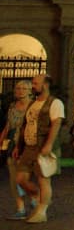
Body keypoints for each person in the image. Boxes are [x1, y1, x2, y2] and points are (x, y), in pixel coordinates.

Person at [12, 74, 65, 223]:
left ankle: (42, 211)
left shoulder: (55, 103)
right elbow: (25, 126)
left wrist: (49, 144)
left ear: (45, 85)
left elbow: (56, 124)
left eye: (36, 83)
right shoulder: (32, 103)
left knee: (43, 179)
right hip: (28, 147)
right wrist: (18, 146)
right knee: (20, 178)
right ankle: (37, 195)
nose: (33, 85)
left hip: (43, 147)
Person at [1, 80, 30, 220]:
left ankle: (35, 200)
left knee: (24, 176)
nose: (20, 91)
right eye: (18, 88)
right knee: (14, 177)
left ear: (30, 90)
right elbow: (8, 126)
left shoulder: (33, 107)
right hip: (12, 142)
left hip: (27, 143)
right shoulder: (12, 107)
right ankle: (20, 208)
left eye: (24, 88)